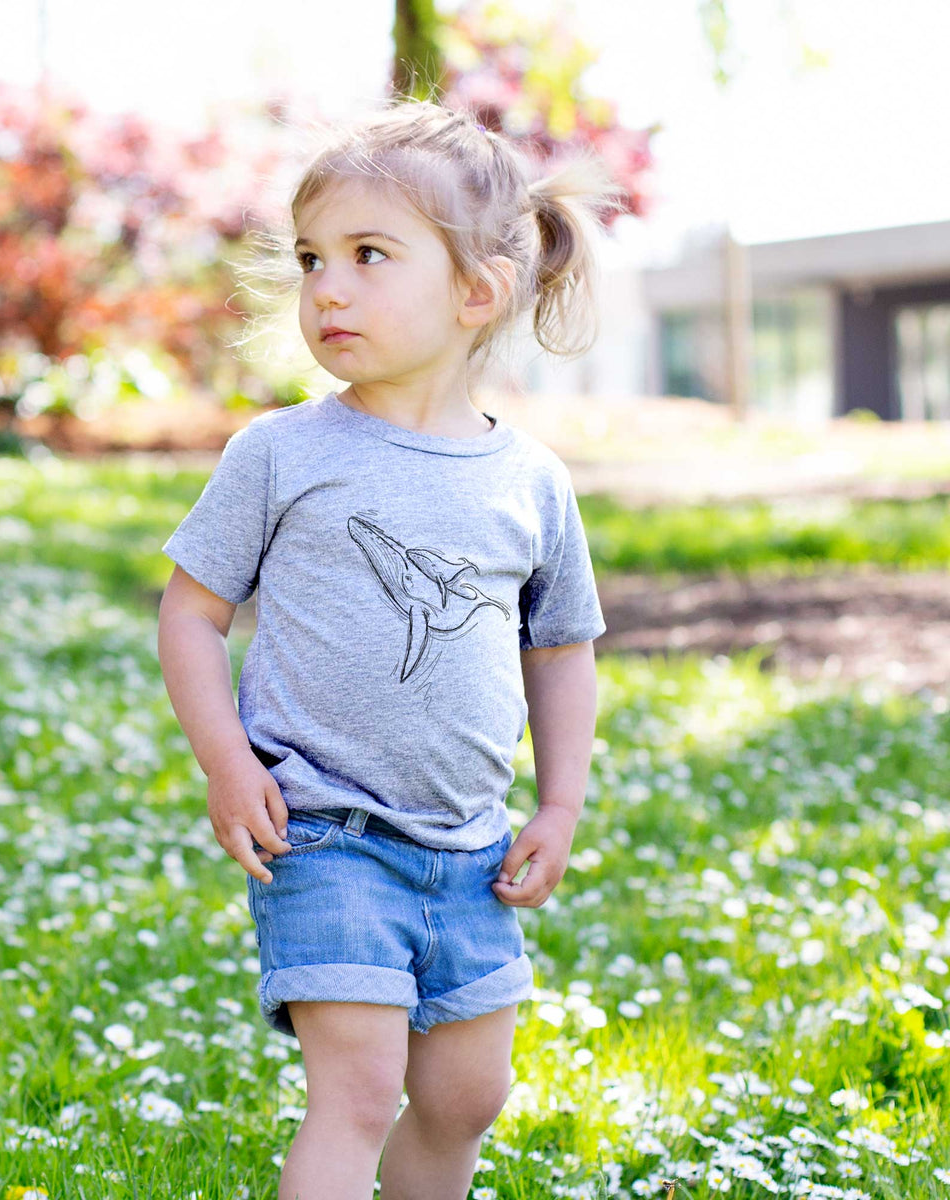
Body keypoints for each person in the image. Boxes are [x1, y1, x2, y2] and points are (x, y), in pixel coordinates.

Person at [157, 97, 622, 1200]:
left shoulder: (531, 482)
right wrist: (228, 760)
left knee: (466, 1100)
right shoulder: (282, 452)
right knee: (358, 1092)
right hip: (323, 830)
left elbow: (560, 651)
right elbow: (191, 613)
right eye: (313, 257)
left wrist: (559, 808)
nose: (327, 286)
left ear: (478, 291)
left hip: (471, 852)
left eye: (369, 255)